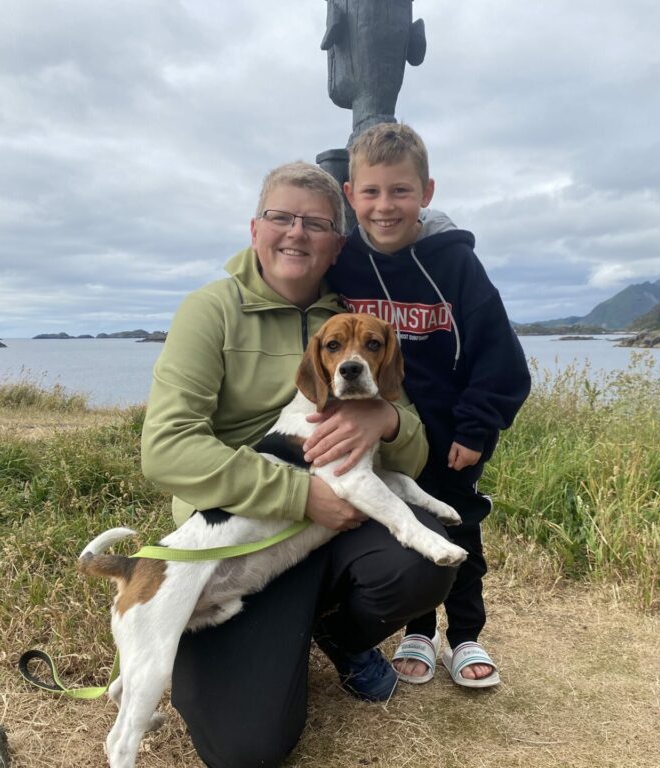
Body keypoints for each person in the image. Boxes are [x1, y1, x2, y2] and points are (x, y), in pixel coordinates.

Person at [140, 161, 457, 768]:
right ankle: (234, 644)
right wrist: (297, 493)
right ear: (254, 229)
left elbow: (413, 446)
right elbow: (167, 448)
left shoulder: (356, 322)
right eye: (281, 218)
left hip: (332, 533)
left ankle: (340, 635)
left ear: (337, 242)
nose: (296, 233)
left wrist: (385, 420)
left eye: (315, 223)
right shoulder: (210, 311)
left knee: (423, 561)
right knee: (247, 751)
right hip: (235, 536)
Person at [325, 123, 531, 688]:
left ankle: (465, 636)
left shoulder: (457, 265)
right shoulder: (343, 266)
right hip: (386, 433)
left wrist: (477, 427)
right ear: (350, 195)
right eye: (370, 192)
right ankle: (418, 631)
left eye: (400, 191)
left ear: (427, 193)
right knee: (407, 527)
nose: (384, 206)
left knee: (459, 527)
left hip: (454, 434)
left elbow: (501, 359)